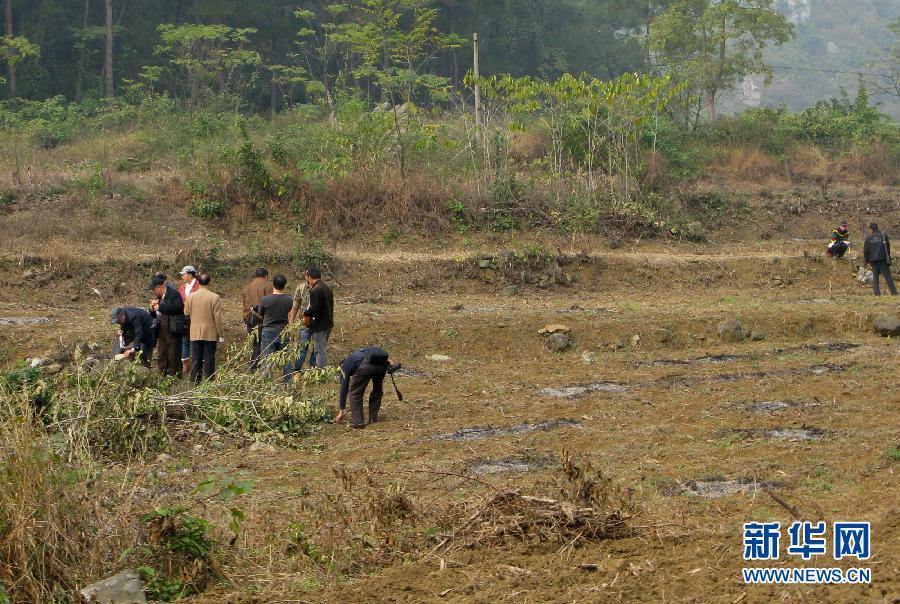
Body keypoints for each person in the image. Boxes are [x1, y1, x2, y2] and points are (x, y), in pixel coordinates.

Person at [287, 267, 333, 378]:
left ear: (309, 277)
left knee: (318, 350)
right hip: (307, 324)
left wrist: (306, 313)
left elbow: (316, 308)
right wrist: (291, 322)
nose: (305, 277)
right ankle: (297, 370)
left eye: (306, 275)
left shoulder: (317, 289)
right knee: (303, 348)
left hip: (317, 324)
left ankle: (316, 372)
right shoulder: (302, 288)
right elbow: (295, 306)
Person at [336, 346, 396, 428]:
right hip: (381, 364)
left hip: (365, 366)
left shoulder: (344, 367)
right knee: (377, 391)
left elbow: (344, 389)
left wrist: (341, 411)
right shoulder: (357, 354)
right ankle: (373, 418)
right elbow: (377, 353)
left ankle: (358, 422)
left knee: (355, 393)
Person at [184, 274, 224, 383]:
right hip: (210, 333)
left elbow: (186, 313)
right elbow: (217, 317)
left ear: (198, 282)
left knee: (195, 358)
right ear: (209, 283)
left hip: (195, 332)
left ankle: (195, 381)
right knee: (209, 358)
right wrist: (220, 334)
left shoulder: (191, 296)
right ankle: (209, 381)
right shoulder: (214, 297)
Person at [256, 274, 293, 373]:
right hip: (284, 330)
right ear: (285, 285)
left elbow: (260, 313)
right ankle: (287, 381)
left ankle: (267, 382)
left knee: (267, 358)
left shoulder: (265, 299)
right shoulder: (289, 299)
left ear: (273, 284)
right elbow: (289, 312)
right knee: (286, 358)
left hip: (268, 331)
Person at [150, 275, 186, 376]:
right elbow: (155, 313)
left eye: (154, 290)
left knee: (173, 352)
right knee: (162, 351)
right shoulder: (158, 297)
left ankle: (174, 374)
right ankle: (163, 371)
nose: (154, 293)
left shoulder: (174, 294)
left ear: (160, 287)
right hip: (161, 328)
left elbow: (178, 307)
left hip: (173, 327)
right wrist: (152, 309)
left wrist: (160, 307)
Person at [242, 267, 274, 371]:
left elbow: (245, 304)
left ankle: (253, 365)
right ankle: (263, 366)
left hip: (250, 317)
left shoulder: (247, 287)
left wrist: (245, 319)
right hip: (263, 317)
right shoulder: (268, 285)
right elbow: (270, 303)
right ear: (266, 276)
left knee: (254, 343)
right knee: (265, 343)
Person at [178, 266, 201, 375]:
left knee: (196, 341)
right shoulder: (182, 287)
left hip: (196, 317)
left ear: (190, 274)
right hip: (184, 317)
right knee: (185, 340)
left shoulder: (199, 285)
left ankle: (198, 365)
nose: (182, 276)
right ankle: (185, 365)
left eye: (184, 274)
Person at [863, 222, 897, 296]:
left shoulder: (868, 238)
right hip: (883, 260)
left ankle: (877, 293)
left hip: (873, 261)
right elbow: (887, 248)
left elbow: (866, 251)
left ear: (871, 229)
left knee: (875, 277)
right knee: (888, 276)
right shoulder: (883, 236)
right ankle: (894, 292)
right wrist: (888, 257)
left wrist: (866, 260)